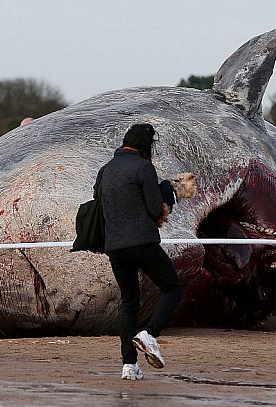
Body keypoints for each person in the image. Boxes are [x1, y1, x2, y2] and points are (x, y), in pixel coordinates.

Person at [93, 123, 183, 381]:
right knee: (173, 288)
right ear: (145, 144)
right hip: (142, 241)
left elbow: (99, 202)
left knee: (129, 301)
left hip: (115, 246)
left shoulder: (105, 170)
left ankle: (128, 366)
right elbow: (156, 209)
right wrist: (167, 193)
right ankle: (150, 334)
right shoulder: (144, 168)